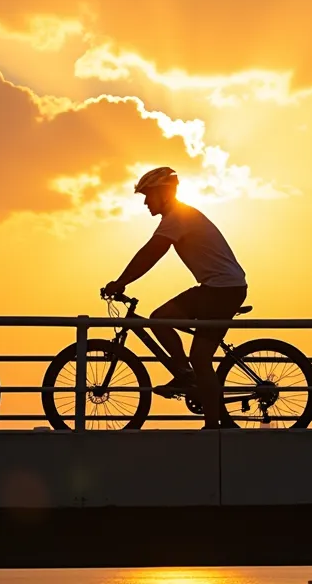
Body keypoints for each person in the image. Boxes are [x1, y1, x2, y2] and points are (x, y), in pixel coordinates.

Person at [101, 167, 248, 430]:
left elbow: (151, 253)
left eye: (148, 196)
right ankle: (189, 380)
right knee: (163, 322)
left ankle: (211, 422)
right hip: (218, 288)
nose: (146, 202)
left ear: (163, 194)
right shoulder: (178, 216)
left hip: (222, 290)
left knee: (196, 353)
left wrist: (121, 282)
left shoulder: (177, 218)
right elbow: (150, 252)